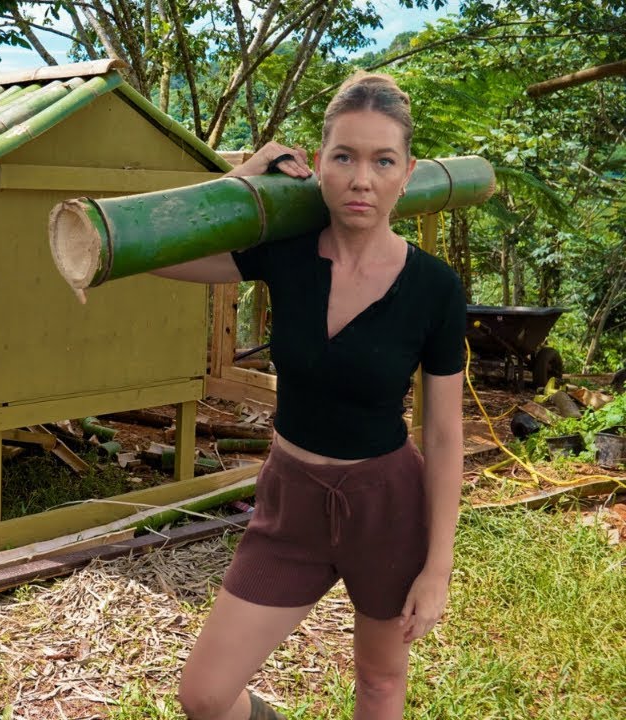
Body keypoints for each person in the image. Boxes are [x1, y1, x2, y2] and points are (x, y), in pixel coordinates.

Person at [155, 72, 466, 720]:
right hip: (290, 504)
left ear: (406, 174)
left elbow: (441, 435)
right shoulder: (286, 253)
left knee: (380, 687)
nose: (361, 178)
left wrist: (437, 567)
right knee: (205, 696)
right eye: (345, 157)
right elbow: (160, 255)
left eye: (383, 161)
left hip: (387, 507)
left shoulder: (435, 288)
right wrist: (241, 178)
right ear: (319, 163)